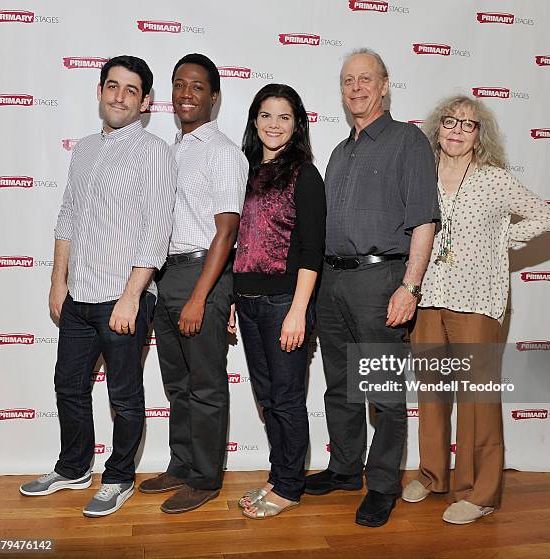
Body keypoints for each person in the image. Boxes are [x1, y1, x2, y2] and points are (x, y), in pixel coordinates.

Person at [19, 56, 177, 517]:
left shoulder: (153, 151)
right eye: (113, 86)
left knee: (124, 395)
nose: (119, 96)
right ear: (100, 90)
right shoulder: (84, 148)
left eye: (131, 90)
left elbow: (156, 229)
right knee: (67, 386)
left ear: (146, 101)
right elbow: (67, 216)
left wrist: (131, 297)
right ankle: (73, 468)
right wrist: (57, 281)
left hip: (122, 296)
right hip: (79, 295)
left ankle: (119, 477)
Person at [402, 95, 550, 524]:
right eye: (449, 121)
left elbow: (547, 217)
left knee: (477, 400)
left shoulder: (494, 179)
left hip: (477, 301)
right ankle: (433, 474)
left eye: (467, 125)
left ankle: (480, 491)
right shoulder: (421, 174)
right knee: (431, 394)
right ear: (438, 127)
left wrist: (501, 244)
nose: (456, 130)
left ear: (479, 135)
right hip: (427, 297)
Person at [304, 48, 439, 527]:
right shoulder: (339, 152)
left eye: (365, 79)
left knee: (382, 391)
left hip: (382, 281)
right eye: (347, 81)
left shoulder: (408, 141)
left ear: (385, 85)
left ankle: (382, 485)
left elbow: (423, 220)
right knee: (339, 386)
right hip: (333, 280)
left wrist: (410, 287)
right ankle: (344, 469)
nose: (356, 88)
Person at [138, 53, 248, 514]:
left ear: (214, 97)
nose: (186, 93)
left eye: (197, 86)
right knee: (177, 384)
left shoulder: (223, 152)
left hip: (203, 274)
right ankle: (182, 464)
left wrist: (200, 296)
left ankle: (205, 478)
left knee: (205, 385)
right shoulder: (172, 148)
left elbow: (227, 231)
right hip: (167, 275)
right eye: (179, 84)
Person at [227, 83, 326, 519]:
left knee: (286, 398)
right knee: (268, 397)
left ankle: (289, 486)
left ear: (297, 124)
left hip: (285, 303)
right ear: (254, 120)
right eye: (266, 115)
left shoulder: (305, 174)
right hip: (247, 302)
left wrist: (299, 311)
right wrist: (233, 297)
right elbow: (238, 240)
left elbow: (311, 249)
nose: (274, 124)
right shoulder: (244, 170)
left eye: (284, 117)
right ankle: (278, 473)